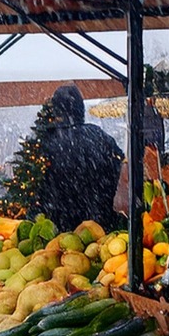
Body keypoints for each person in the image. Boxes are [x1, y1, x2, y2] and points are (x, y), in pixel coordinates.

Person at [36, 83, 124, 231]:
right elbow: (120, 165)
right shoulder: (97, 135)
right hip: (101, 222)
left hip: (61, 226)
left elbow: (41, 186)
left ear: (55, 109)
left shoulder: (46, 141)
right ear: (80, 108)